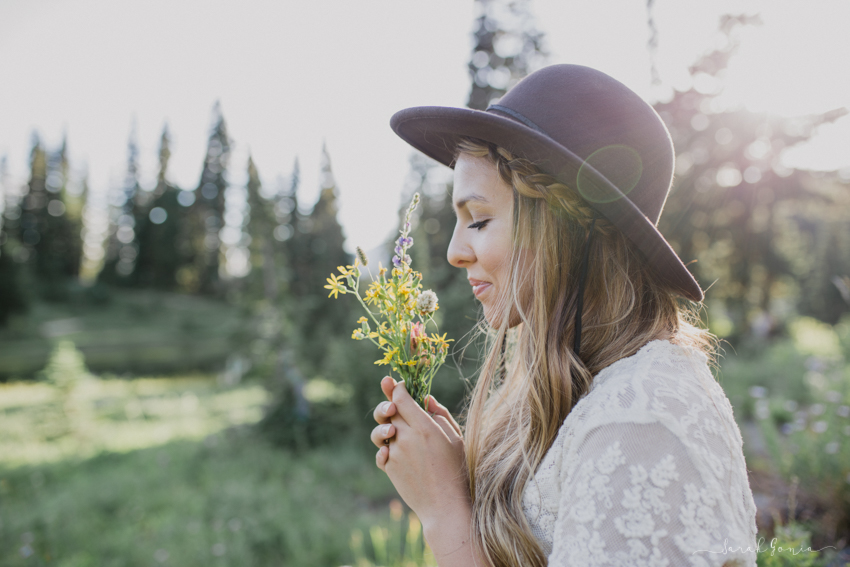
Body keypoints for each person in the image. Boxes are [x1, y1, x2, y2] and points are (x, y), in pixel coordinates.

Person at [369, 64, 758, 567]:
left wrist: (445, 512)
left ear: (561, 227)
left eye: (480, 219)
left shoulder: (640, 421)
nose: (455, 252)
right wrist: (454, 479)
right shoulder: (582, 392)